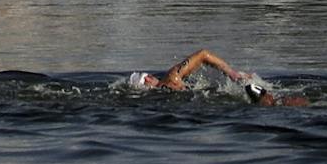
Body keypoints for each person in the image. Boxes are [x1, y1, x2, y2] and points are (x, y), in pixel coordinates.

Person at [129, 48, 304, 106]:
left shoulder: (155, 101)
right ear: (148, 79)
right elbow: (204, 54)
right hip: (215, 97)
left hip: (207, 104)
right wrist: (232, 74)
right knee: (275, 101)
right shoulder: (172, 77)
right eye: (148, 77)